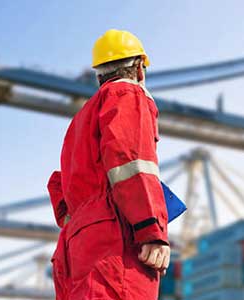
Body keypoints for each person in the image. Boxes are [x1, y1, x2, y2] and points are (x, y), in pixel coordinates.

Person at [47, 29, 170, 300]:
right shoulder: (127, 94)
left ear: (98, 75)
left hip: (76, 249)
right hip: (115, 244)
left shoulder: (79, 121)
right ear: (139, 68)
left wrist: (77, 220)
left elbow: (58, 185)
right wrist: (152, 230)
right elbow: (132, 161)